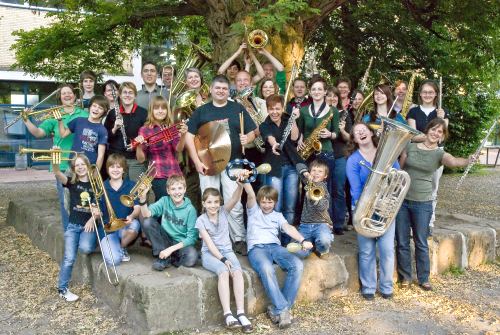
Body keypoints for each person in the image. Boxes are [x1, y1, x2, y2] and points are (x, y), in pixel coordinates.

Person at [396, 118, 473, 291]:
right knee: (401, 241)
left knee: (421, 242)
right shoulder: (410, 146)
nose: (435, 133)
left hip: (423, 203)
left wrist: (468, 160)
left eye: (440, 132)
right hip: (402, 201)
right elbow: (399, 171)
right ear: (428, 130)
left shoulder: (439, 154)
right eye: (434, 129)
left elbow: (453, 161)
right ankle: (405, 277)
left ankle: (424, 278)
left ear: (442, 136)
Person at [185, 75, 257, 255]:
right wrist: (196, 161)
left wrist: (247, 137)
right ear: (211, 89)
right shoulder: (202, 111)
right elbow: (189, 136)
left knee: (235, 203)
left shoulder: (237, 108)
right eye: (217, 88)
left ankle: (238, 239)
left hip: (233, 162)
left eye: (224, 88)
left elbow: (254, 131)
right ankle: (209, 239)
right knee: (209, 202)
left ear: (228, 91)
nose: (221, 91)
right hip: (208, 163)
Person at [244, 183, 312, 328]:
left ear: (275, 202)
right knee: (267, 268)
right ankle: (283, 309)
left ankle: (278, 309)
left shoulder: (278, 215)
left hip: (275, 247)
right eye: (263, 201)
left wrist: (302, 240)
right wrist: (245, 181)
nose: (267, 205)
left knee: (297, 265)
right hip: (257, 249)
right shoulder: (253, 211)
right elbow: (250, 194)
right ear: (259, 201)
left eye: (270, 202)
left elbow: (288, 228)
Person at [23, 84, 88, 231]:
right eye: (63, 93)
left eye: (69, 93)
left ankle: (84, 230)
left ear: (75, 96)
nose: (67, 95)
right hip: (62, 164)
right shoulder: (54, 114)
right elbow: (39, 133)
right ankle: (69, 231)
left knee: (83, 199)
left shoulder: (84, 114)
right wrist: (26, 120)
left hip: (81, 163)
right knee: (65, 200)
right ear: (60, 97)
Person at [346, 122, 399, 300]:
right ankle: (368, 287)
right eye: (356, 132)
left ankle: (386, 286)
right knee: (367, 251)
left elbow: (397, 177)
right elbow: (355, 190)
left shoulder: (387, 154)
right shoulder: (353, 160)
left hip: (385, 209)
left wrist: (386, 201)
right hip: (364, 209)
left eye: (364, 130)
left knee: (386, 249)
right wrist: (367, 207)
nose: (361, 133)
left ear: (371, 132)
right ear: (354, 139)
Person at [196, 183, 253, 332]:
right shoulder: (200, 220)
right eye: (209, 202)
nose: (213, 205)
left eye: (216, 202)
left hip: (227, 250)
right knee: (223, 271)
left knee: (238, 272)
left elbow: (234, 198)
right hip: (210, 254)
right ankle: (228, 314)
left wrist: (240, 185)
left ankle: (240, 313)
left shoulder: (223, 211)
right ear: (204, 203)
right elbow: (209, 244)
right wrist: (223, 259)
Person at [54, 154, 99, 302]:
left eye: (82, 164)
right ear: (74, 169)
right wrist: (55, 159)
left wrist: (93, 219)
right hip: (73, 226)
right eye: (76, 165)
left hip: (89, 227)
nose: (80, 167)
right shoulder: (72, 183)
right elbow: (57, 173)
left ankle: (91, 241)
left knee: (85, 248)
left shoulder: (95, 185)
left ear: (88, 165)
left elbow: (99, 209)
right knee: (69, 258)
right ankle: (62, 288)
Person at [407, 79, 450, 235]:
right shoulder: (413, 111)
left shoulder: (442, 112)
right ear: (420, 94)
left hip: (435, 155)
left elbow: (441, 138)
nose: (427, 95)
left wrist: (442, 119)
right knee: (412, 188)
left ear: (436, 94)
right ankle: (412, 225)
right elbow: (412, 136)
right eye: (424, 92)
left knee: (432, 188)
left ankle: (429, 223)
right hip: (415, 153)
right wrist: (431, 136)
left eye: (431, 92)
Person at [297, 76, 339, 229]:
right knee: (307, 189)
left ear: (325, 92)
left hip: (326, 153)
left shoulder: (333, 111)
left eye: (319, 89)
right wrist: (301, 139)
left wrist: (329, 134)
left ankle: (327, 224)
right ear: (310, 91)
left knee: (326, 190)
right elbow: (300, 132)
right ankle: (306, 223)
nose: (316, 92)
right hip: (308, 154)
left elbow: (337, 134)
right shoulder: (303, 110)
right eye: (313, 89)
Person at [139, 175, 198, 270]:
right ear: (168, 191)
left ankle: (168, 257)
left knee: (191, 258)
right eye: (173, 189)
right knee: (147, 222)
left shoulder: (190, 210)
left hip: (180, 243)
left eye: (180, 188)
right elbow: (146, 214)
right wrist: (142, 198)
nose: (177, 192)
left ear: (184, 189)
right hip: (165, 239)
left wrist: (170, 249)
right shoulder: (164, 201)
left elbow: (192, 238)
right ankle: (163, 256)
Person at [259, 94, 301, 226]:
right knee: (276, 205)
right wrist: (274, 144)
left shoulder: (289, 119)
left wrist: (293, 120)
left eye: (277, 108)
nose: (274, 112)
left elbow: (294, 138)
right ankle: (275, 236)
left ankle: (287, 239)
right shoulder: (264, 125)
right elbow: (270, 138)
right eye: (271, 109)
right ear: (267, 109)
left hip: (291, 167)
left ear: (283, 108)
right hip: (274, 167)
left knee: (290, 207)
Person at [135, 96, 187, 200]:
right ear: (151, 110)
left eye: (163, 108)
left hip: (175, 172)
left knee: (180, 203)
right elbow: (141, 159)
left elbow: (178, 149)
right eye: (156, 108)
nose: (160, 111)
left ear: (167, 110)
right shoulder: (144, 130)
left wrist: (183, 135)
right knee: (164, 204)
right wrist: (139, 146)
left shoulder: (171, 127)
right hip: (157, 174)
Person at [99, 154, 141, 264]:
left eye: (119, 167)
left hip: (124, 228)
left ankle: (122, 246)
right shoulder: (102, 186)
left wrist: (131, 216)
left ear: (124, 169)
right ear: (108, 169)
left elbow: (137, 208)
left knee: (135, 224)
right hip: (108, 230)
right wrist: (96, 211)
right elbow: (98, 210)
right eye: (112, 167)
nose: (115, 170)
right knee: (113, 261)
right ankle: (115, 247)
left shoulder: (131, 185)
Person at [104, 82, 148, 182]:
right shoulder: (112, 113)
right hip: (116, 158)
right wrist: (114, 128)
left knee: (135, 189)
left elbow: (148, 137)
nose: (127, 95)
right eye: (124, 92)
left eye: (130, 92)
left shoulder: (143, 113)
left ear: (135, 95)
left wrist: (137, 143)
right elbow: (105, 138)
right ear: (120, 95)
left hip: (135, 159)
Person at [292, 160, 334, 258]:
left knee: (324, 241)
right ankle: (312, 245)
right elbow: (298, 165)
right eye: (313, 170)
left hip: (321, 224)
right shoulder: (308, 182)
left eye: (320, 171)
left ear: (325, 176)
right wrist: (306, 174)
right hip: (305, 224)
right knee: (299, 253)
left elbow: (323, 207)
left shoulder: (324, 188)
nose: (316, 173)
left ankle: (321, 249)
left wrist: (314, 198)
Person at [58, 95, 109, 169]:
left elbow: (101, 156)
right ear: (90, 107)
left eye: (100, 108)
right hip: (73, 164)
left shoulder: (102, 130)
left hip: (89, 166)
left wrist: (96, 172)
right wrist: (60, 120)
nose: (96, 109)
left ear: (104, 112)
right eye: (94, 106)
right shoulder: (78, 120)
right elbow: (63, 134)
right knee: (69, 180)